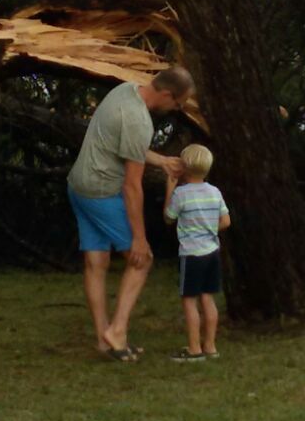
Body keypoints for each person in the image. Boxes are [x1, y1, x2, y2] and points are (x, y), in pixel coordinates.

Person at [67, 68, 191, 361]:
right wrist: (139, 238)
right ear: (166, 94)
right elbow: (132, 186)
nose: (176, 109)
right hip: (100, 192)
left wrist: (160, 160)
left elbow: (121, 143)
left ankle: (103, 339)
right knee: (141, 260)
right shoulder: (139, 121)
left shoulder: (125, 90)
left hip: (78, 186)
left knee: (96, 261)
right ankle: (118, 330)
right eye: (177, 103)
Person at [164, 144, 230, 362]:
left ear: (184, 167)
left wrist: (169, 189)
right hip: (212, 252)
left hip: (191, 254)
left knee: (189, 301)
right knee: (208, 299)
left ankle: (194, 349)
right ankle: (210, 345)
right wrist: (209, 229)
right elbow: (226, 221)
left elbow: (168, 217)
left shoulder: (181, 194)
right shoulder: (214, 192)